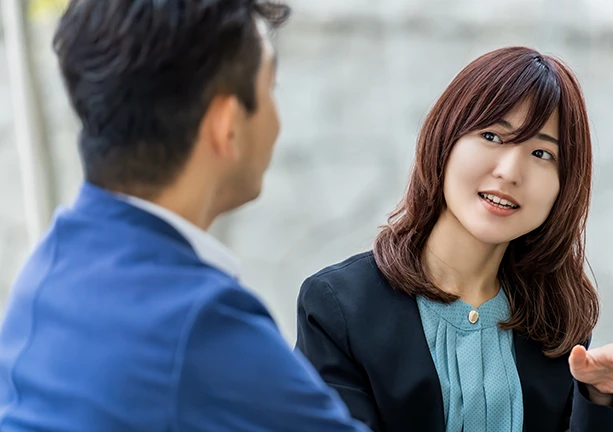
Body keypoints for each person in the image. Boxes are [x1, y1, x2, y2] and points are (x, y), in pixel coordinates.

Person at [0, 1, 368, 431]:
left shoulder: (49, 269)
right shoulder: (196, 321)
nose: (277, 116)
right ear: (226, 126)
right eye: (272, 87)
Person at [295, 46, 613, 432]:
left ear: (562, 188)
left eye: (541, 154)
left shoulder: (557, 321)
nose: (510, 171)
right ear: (444, 141)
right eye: (493, 136)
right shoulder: (337, 307)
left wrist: (601, 397)